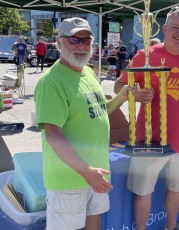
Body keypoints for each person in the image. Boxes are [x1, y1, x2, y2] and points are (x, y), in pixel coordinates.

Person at [34, 17, 130, 230]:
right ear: (58, 43)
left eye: (86, 41)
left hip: (96, 174)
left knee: (94, 222)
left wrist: (122, 97)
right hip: (70, 178)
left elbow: (98, 112)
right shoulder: (51, 81)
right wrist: (86, 171)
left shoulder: (87, 72)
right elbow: (52, 134)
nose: (81, 46)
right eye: (73, 40)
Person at [114, 6, 179, 230]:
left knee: (177, 189)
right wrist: (134, 92)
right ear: (164, 29)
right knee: (143, 191)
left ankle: (170, 228)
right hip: (148, 139)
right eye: (175, 27)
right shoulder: (146, 55)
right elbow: (119, 85)